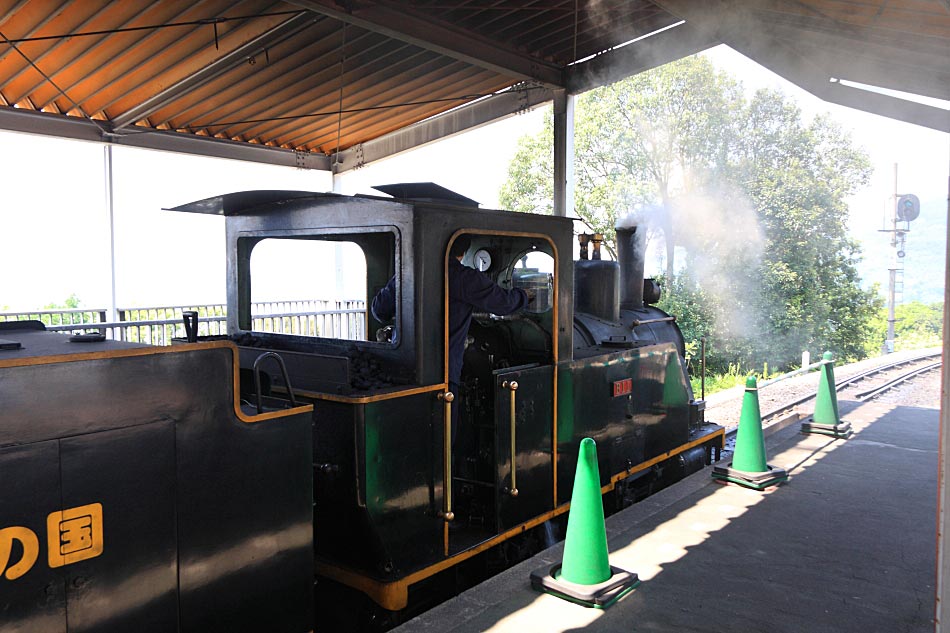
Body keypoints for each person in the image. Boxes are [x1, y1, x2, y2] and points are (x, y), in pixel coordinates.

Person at [370, 235, 530, 436]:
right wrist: (525, 295)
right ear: (463, 253)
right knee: (443, 438)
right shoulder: (463, 277)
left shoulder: (406, 273)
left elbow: (378, 311)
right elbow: (504, 304)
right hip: (442, 372)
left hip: (399, 369)